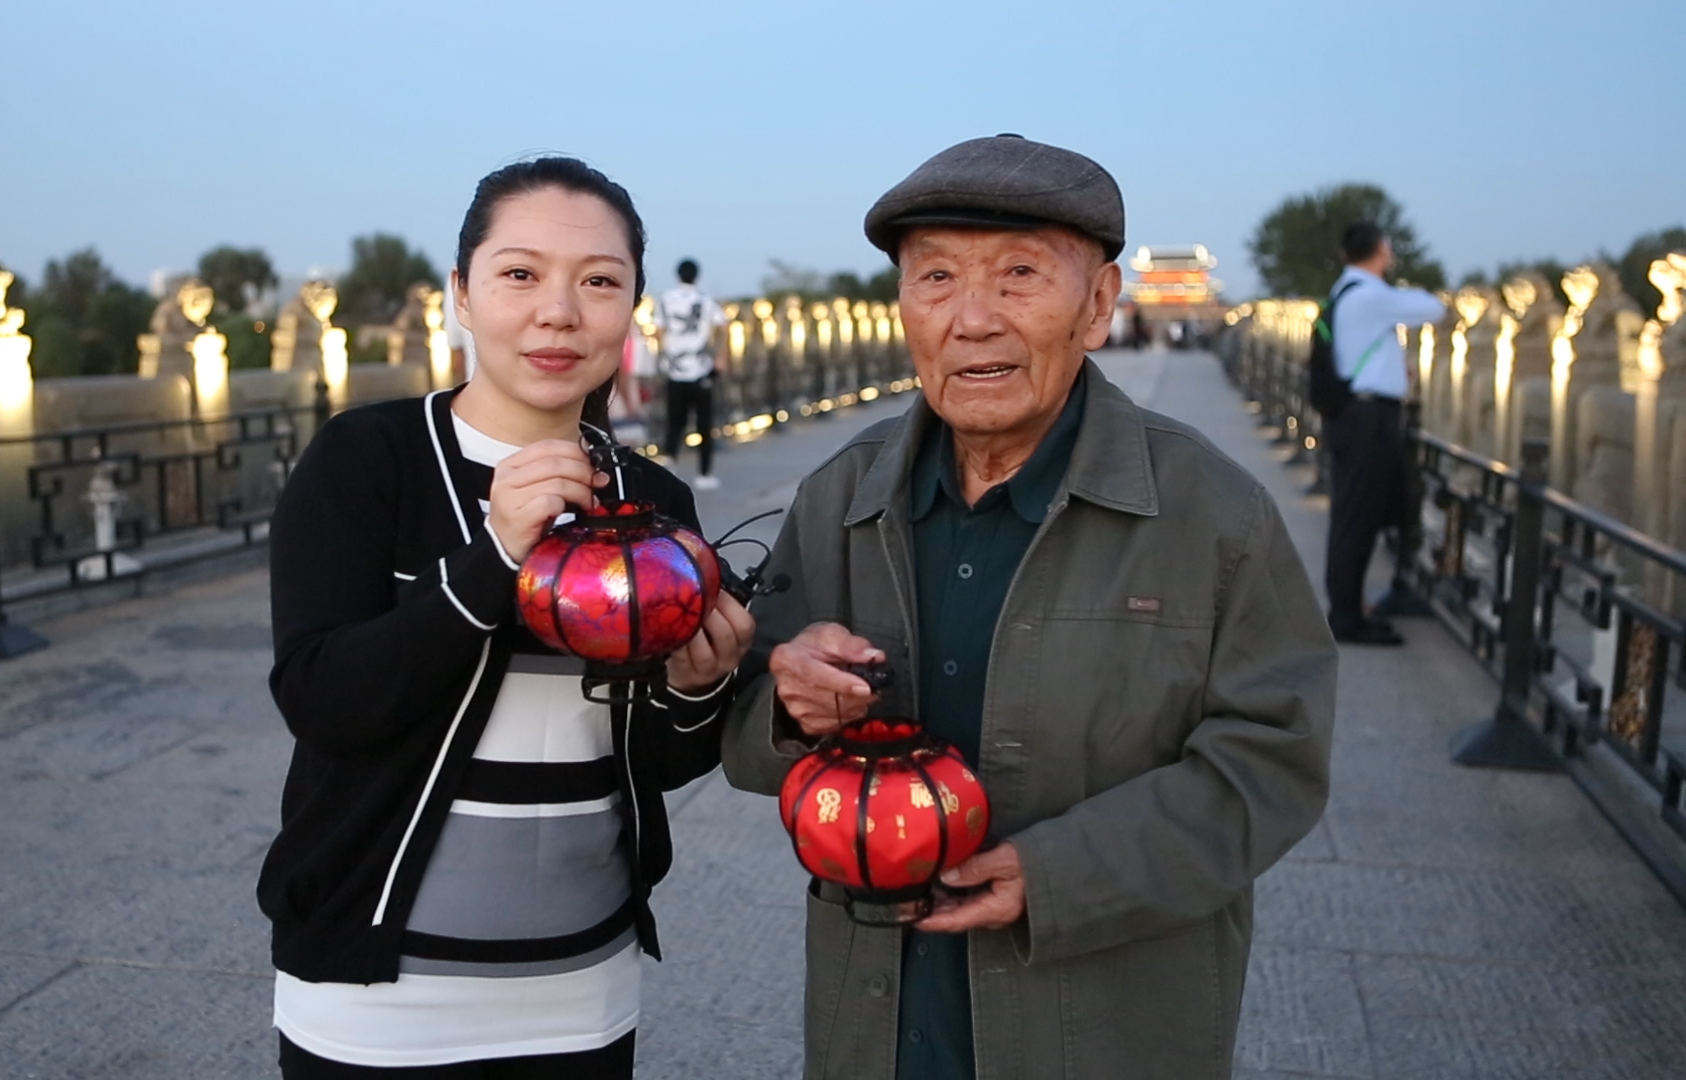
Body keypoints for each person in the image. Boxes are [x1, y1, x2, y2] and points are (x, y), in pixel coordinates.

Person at [721, 134, 1336, 1080]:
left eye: (1019, 275)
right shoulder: (843, 494)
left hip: (1105, 1026)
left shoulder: (1212, 512)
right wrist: (790, 706)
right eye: (936, 278)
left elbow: (1274, 759)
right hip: (878, 1023)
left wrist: (1057, 877)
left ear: (1099, 304)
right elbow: (742, 724)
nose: (973, 320)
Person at [258, 156, 755, 1079]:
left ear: (632, 308)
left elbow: (653, 761)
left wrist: (699, 689)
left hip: (582, 992)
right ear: (461, 292)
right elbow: (324, 701)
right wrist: (493, 558)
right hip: (377, 1001)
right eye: (520, 274)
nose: (558, 312)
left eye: (598, 282)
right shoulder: (370, 460)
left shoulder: (651, 503)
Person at [1323, 221, 1446, 646]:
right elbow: (1433, 309)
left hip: (1355, 414)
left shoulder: (1345, 290)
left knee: (1355, 513)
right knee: (1357, 517)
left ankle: (1350, 606)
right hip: (1368, 419)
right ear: (1380, 250)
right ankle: (1347, 617)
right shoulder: (1370, 295)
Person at [654, 258, 727, 490]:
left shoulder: (665, 299)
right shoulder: (705, 300)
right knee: (704, 424)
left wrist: (664, 353)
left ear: (678, 275)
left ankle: (669, 467)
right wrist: (721, 357)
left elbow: (658, 330)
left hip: (674, 368)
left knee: (674, 422)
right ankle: (704, 474)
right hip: (701, 368)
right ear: (697, 276)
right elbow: (724, 326)